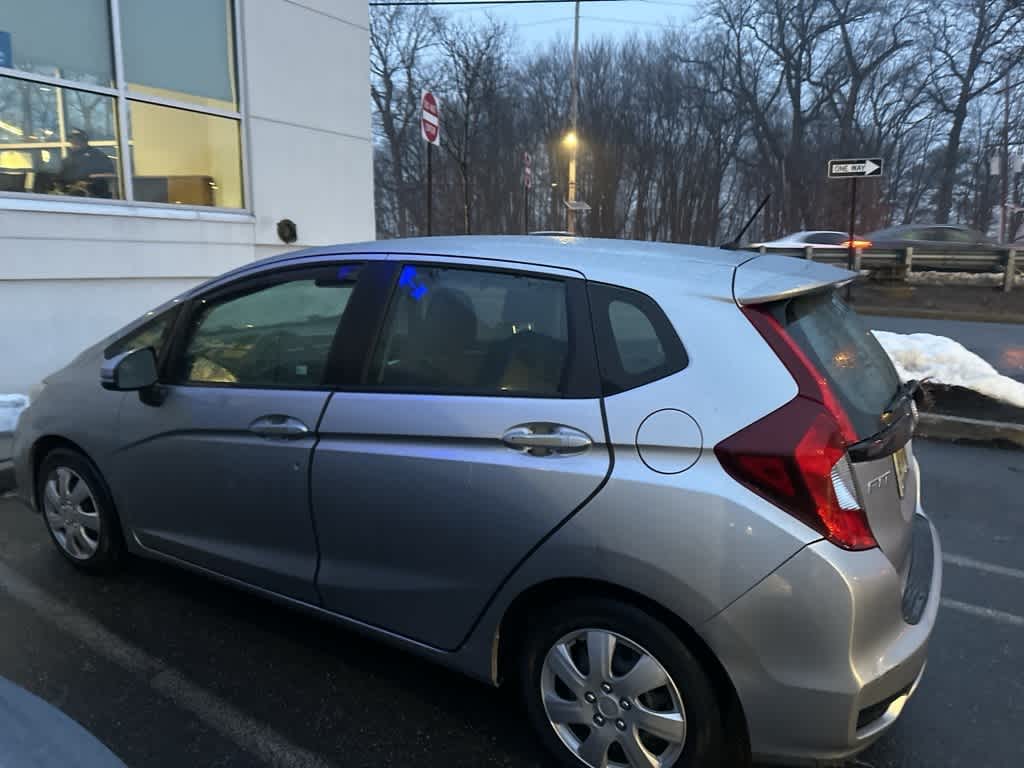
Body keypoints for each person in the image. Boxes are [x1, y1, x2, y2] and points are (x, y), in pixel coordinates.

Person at [59, 129, 115, 198]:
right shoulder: (68, 159)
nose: (74, 142)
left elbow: (110, 174)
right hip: (72, 196)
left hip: (96, 195)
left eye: (77, 140)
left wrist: (88, 184)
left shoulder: (98, 155)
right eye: (72, 140)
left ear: (85, 141)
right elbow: (61, 179)